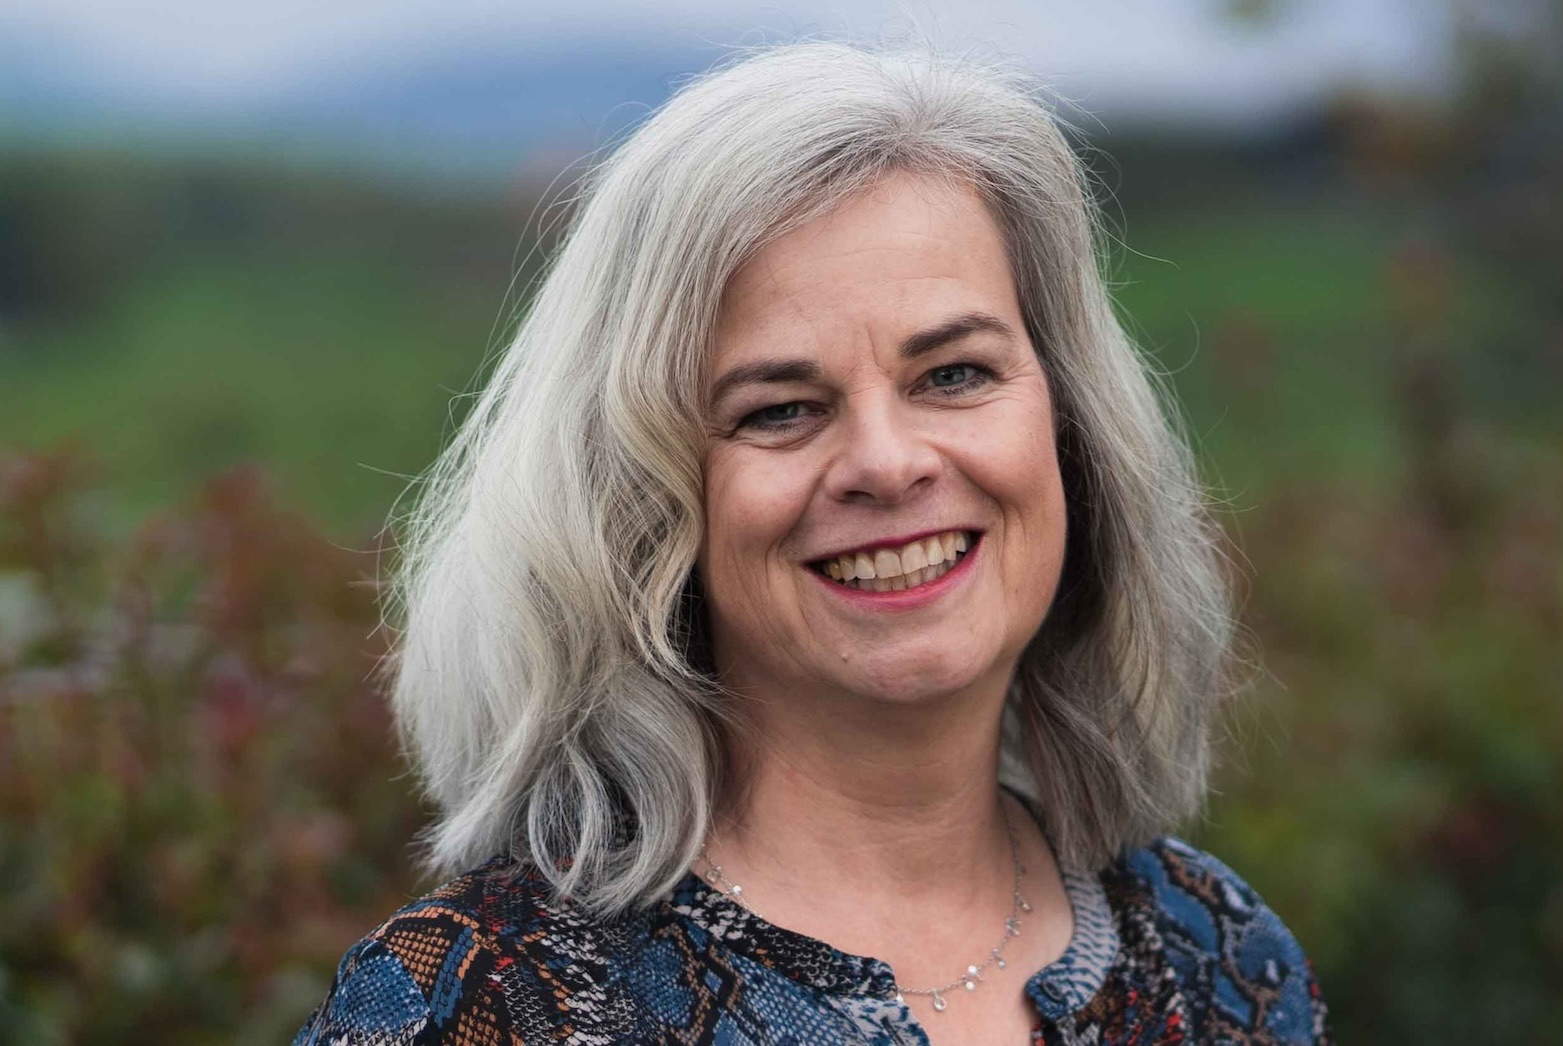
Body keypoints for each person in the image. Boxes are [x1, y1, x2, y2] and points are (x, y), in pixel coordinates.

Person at [294, 41, 1327, 1045]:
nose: (887, 462)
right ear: (643, 502)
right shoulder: (487, 1002)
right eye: (781, 409)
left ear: (1070, 422)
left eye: (954, 374)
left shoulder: (1216, 960)